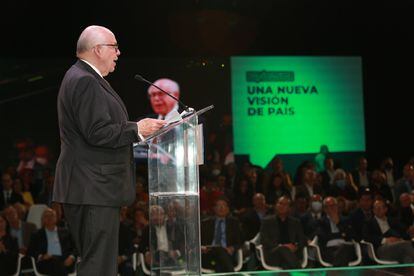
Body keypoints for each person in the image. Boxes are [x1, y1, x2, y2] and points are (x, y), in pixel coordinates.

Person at [52, 25, 165, 276]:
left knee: (97, 263)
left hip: (90, 187)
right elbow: (97, 132)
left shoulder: (82, 77)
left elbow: (96, 130)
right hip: (92, 188)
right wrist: (137, 129)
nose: (118, 52)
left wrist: (138, 130)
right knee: (98, 266)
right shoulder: (85, 81)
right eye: (114, 47)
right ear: (98, 49)